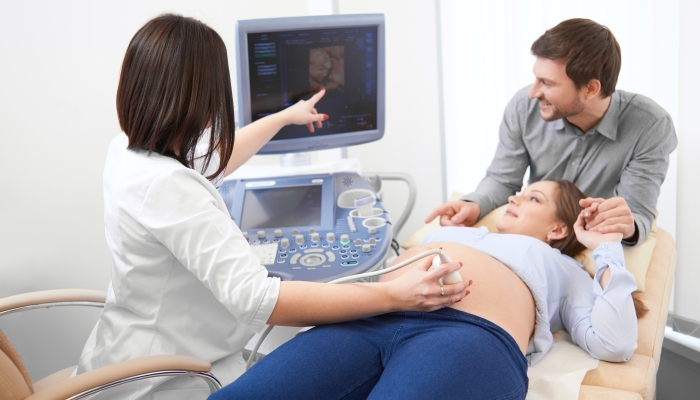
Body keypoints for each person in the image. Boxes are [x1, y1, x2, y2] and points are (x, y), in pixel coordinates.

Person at [74, 14, 468, 399]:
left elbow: (212, 162)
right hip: (166, 377)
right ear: (203, 97)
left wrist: (284, 116)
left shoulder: (128, 148)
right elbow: (260, 299)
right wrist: (395, 295)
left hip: (122, 348)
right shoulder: (168, 187)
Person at [211, 180, 640, 400]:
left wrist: (605, 251)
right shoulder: (464, 231)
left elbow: (615, 340)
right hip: (368, 319)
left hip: (467, 337)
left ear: (558, 228)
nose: (515, 196)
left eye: (533, 199)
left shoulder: (563, 267)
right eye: (520, 191)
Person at [426, 18, 677, 246]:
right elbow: (503, 179)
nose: (533, 92)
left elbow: (636, 213)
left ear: (591, 89)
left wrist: (625, 226)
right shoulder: (524, 107)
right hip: (531, 236)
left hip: (585, 241)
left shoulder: (650, 126)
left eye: (547, 83)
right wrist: (474, 204)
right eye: (536, 78)